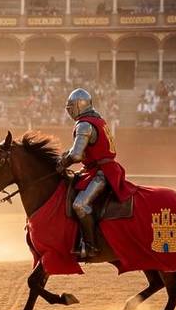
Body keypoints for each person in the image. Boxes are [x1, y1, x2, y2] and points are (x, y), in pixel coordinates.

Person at [56, 88, 133, 259]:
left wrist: (63, 162)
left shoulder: (85, 124)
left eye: (71, 107)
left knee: (80, 205)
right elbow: (82, 151)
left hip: (102, 173)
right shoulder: (98, 120)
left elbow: (76, 155)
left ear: (78, 105)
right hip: (97, 169)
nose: (69, 111)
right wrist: (63, 157)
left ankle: (91, 246)